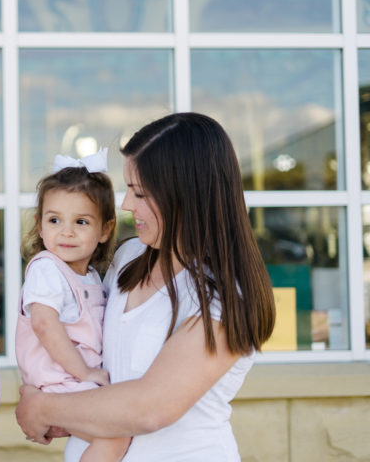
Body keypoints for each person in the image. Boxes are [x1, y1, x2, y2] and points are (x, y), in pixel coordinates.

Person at [15, 112, 276, 461]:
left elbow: (150, 407)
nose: (126, 205)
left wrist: (44, 407)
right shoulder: (129, 257)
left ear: (183, 195)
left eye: (139, 193)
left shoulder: (224, 299)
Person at [15, 148, 131, 461]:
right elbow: (43, 323)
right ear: (40, 226)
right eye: (54, 220)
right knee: (116, 431)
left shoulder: (92, 276)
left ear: (105, 230)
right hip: (60, 382)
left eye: (81, 221)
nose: (66, 231)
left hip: (73, 383)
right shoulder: (47, 269)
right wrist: (84, 372)